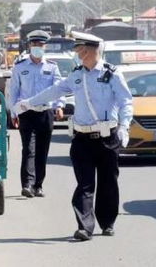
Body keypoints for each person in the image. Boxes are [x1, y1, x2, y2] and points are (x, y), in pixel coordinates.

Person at [15, 31, 133, 241]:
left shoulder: (112, 74)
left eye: (79, 49)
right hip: (82, 138)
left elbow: (126, 102)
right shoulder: (77, 75)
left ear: (89, 50)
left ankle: (107, 222)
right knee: (84, 184)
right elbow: (55, 91)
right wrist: (29, 103)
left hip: (107, 137)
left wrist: (124, 126)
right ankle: (85, 227)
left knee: (108, 182)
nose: (77, 53)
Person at [9, 30, 65, 198]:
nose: (37, 48)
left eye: (40, 45)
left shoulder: (52, 67)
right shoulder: (20, 67)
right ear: (30, 46)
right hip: (26, 113)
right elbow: (14, 91)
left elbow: (58, 88)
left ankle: (38, 185)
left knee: (42, 151)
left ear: (45, 47)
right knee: (28, 149)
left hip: (45, 113)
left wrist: (59, 106)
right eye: (35, 45)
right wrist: (13, 111)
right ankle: (27, 184)